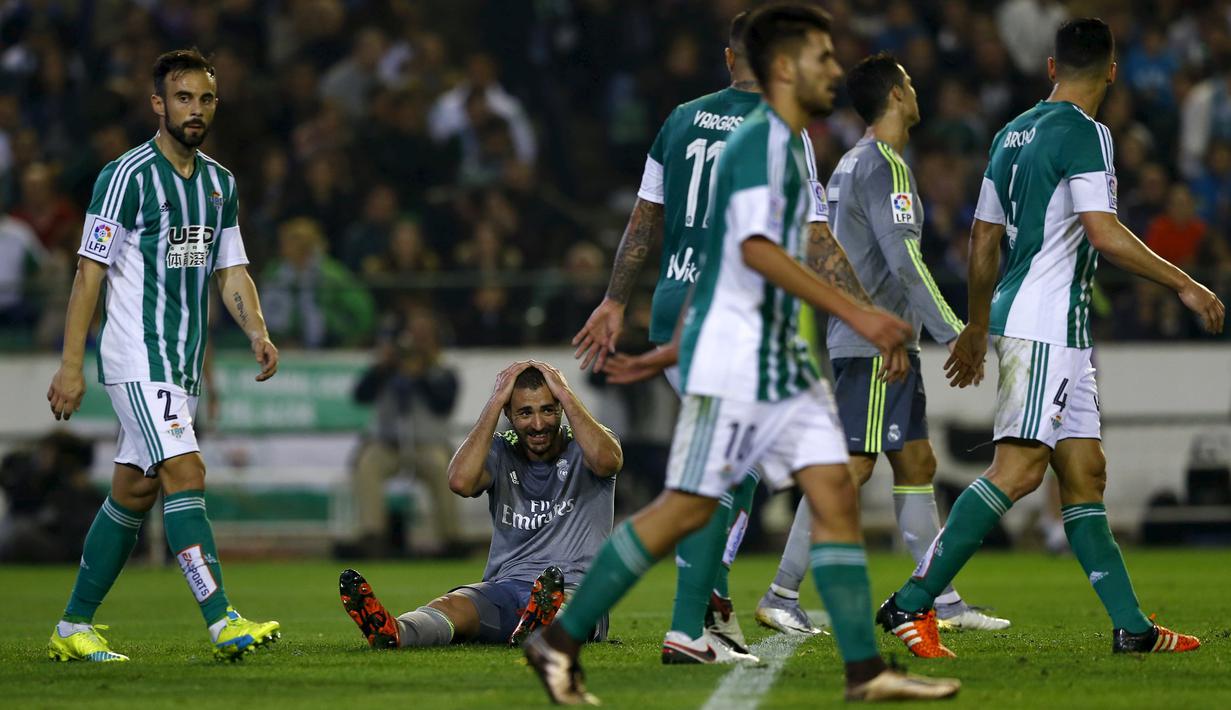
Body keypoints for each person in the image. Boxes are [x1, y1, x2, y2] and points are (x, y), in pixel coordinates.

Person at [527, 5, 959, 704]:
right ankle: (570, 639)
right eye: (821, 57)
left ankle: (863, 671)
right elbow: (757, 249)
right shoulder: (764, 140)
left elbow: (721, 254)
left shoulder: (764, 134)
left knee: (830, 490)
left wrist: (668, 342)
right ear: (784, 66)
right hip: (739, 356)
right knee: (686, 507)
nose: (834, 70)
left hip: (769, 350)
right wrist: (858, 313)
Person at [879, 18, 1223, 659]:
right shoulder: (1088, 133)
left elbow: (983, 236)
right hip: (1046, 325)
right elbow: (1103, 230)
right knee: (1018, 471)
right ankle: (911, 601)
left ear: (1051, 67)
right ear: (1112, 72)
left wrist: (977, 323)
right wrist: (1185, 283)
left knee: (1085, 472)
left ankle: (1132, 628)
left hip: (1043, 325)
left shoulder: (1011, 133)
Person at [573, 9, 880, 658]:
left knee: (732, 471)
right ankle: (686, 618)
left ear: (728, 57)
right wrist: (862, 309)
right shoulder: (780, 130)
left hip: (673, 302)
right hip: (728, 314)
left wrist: (614, 300)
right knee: (719, 479)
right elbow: (815, 237)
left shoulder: (681, 119)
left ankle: (704, 607)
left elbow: (643, 221)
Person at [757, 52, 1009, 632]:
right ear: (896, 94)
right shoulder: (886, 166)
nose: (916, 91)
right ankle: (782, 592)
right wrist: (956, 332)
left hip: (875, 338)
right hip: (877, 343)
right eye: (911, 83)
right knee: (851, 467)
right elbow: (905, 261)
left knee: (916, 460)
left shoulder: (850, 163)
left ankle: (942, 600)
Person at [44, 49, 282, 663]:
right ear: (158, 104)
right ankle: (221, 618)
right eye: (182, 98)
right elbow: (89, 272)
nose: (194, 110)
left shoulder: (220, 184)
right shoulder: (125, 176)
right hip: (136, 357)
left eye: (205, 99)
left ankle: (73, 626)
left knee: (134, 491)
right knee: (187, 473)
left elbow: (231, 269)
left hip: (181, 365)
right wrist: (70, 365)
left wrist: (256, 330)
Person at [339, 362, 621, 649]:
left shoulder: (589, 444)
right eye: (525, 412)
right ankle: (396, 632)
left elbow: (607, 461)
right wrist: (495, 401)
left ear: (561, 407)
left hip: (574, 589)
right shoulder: (500, 449)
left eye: (548, 410)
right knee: (452, 605)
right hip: (504, 588)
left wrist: (566, 394)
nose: (538, 424)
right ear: (508, 414)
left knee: (564, 612)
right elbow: (460, 481)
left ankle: (539, 626)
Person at [345, 305, 461, 556]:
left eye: (424, 337)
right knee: (368, 464)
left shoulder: (443, 371)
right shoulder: (387, 370)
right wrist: (384, 366)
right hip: (389, 445)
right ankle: (373, 535)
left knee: (442, 467)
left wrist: (422, 375)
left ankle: (451, 538)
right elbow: (360, 395)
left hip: (427, 446)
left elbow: (444, 404)